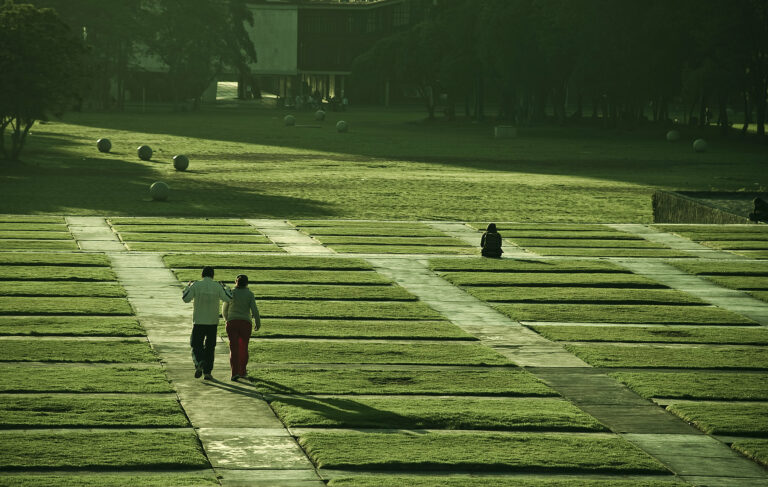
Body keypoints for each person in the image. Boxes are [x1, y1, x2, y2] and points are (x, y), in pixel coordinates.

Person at [182, 266, 232, 380]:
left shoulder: (196, 285)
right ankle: (208, 372)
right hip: (212, 322)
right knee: (210, 347)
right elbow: (228, 298)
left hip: (199, 321)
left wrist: (187, 286)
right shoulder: (217, 286)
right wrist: (226, 287)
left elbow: (185, 299)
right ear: (213, 275)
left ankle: (200, 361)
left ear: (202, 275)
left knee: (195, 344)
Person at [222, 274, 261, 381]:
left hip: (232, 322)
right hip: (245, 323)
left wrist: (226, 319)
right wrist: (258, 323)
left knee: (234, 348)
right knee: (243, 348)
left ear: (236, 282)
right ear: (247, 283)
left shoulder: (231, 293)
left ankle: (234, 372)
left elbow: (224, 309)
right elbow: (254, 310)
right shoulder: (249, 294)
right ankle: (242, 371)